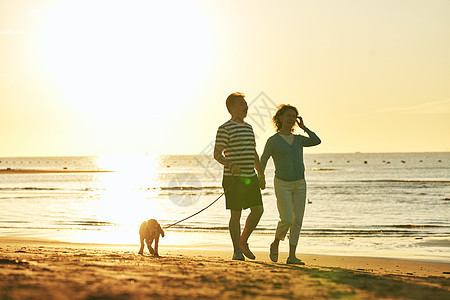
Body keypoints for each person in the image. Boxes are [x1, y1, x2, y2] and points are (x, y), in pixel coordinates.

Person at [260, 104, 321, 265]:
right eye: (288, 116)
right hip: (282, 183)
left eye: (294, 117)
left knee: (297, 221)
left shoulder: (298, 139)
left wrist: (304, 127)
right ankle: (275, 243)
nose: (291, 119)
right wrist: (261, 176)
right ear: (279, 118)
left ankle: (292, 256)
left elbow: (317, 141)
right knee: (286, 218)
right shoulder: (273, 141)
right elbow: (264, 159)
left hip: (300, 183)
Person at [214, 92, 265, 261]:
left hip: (249, 177)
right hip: (233, 179)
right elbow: (217, 154)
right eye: (242, 104)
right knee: (235, 215)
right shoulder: (224, 128)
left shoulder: (249, 127)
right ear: (232, 108)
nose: (246, 107)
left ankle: (243, 241)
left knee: (258, 210)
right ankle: (237, 250)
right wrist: (230, 164)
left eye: (246, 104)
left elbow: (254, 153)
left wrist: (261, 173)